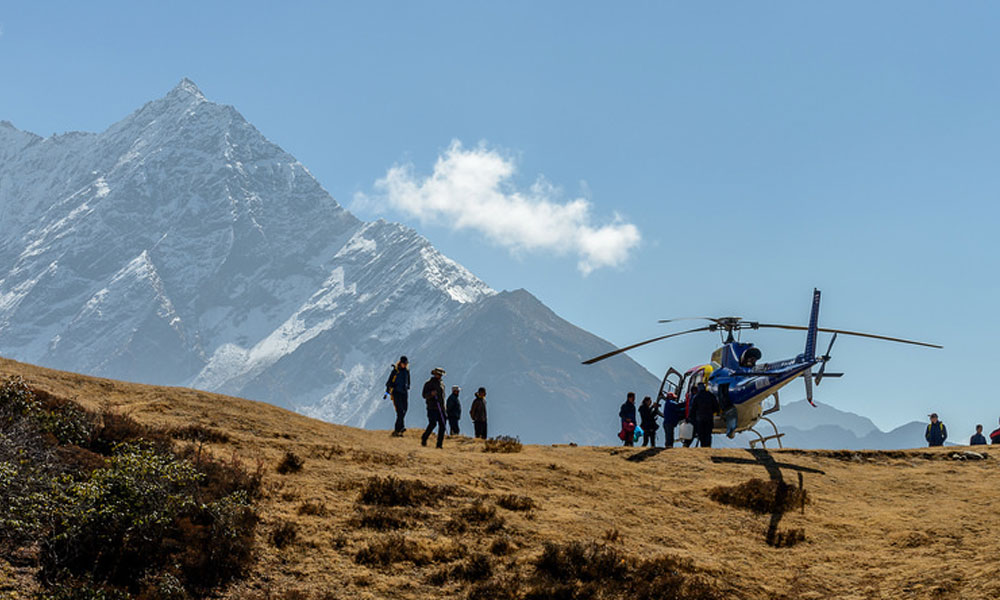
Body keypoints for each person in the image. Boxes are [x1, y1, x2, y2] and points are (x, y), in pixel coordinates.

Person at [421, 367, 447, 448]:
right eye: (438, 374)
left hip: (441, 408)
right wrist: (431, 394)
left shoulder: (442, 383)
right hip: (432, 407)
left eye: (440, 374)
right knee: (433, 424)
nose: (439, 376)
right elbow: (424, 395)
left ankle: (439, 444)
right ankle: (424, 437)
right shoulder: (429, 383)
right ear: (434, 374)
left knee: (442, 425)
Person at [385, 356, 410, 437]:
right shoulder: (395, 371)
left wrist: (408, 386)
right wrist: (388, 392)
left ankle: (399, 428)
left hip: (404, 392)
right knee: (400, 411)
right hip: (396, 392)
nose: (405, 365)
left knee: (405, 409)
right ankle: (399, 429)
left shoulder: (407, 371)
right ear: (400, 363)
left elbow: (408, 380)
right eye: (404, 363)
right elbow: (389, 382)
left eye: (406, 363)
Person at [690, 383, 720, 448]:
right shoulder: (711, 395)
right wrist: (713, 412)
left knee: (701, 433)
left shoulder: (696, 397)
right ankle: (708, 446)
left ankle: (703, 446)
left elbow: (693, 409)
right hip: (709, 418)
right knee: (708, 433)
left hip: (700, 419)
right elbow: (716, 407)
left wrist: (690, 418)